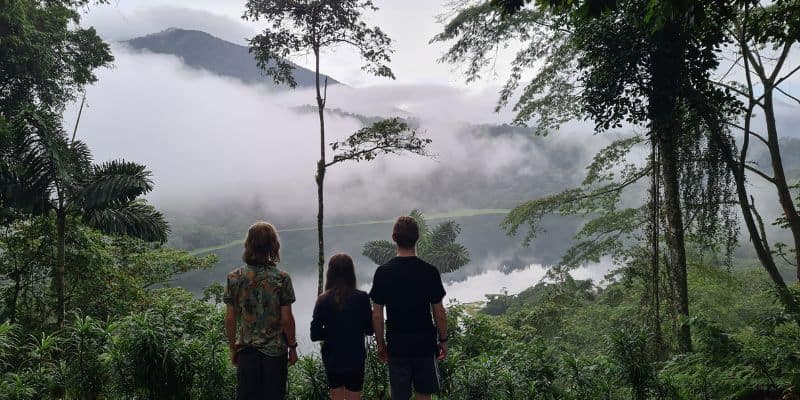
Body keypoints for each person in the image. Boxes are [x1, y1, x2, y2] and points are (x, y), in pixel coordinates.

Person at [369, 216, 449, 400]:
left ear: (394, 237)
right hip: (424, 344)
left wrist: (381, 344)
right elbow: (439, 313)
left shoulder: (383, 273)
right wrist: (443, 340)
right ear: (417, 238)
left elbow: (377, 315)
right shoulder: (429, 271)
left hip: (397, 346)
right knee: (423, 395)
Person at [224, 221, 298, 400]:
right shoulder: (281, 278)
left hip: (247, 352)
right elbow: (286, 319)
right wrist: (293, 347)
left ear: (248, 244)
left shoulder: (235, 278)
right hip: (275, 352)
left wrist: (233, 347)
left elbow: (231, 318)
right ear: (273, 245)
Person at [310, 253, 374, 400]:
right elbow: (369, 330)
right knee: (354, 396)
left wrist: (333, 332)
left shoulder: (323, 300)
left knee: (336, 396)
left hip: (332, 358)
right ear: (351, 272)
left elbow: (315, 334)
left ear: (330, 273)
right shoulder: (362, 297)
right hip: (355, 356)